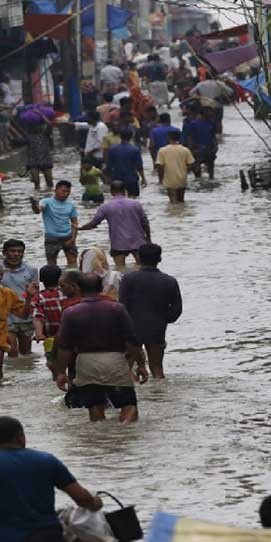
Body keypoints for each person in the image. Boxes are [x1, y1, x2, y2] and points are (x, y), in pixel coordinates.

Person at [0, 417, 103, 542]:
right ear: (20, 436)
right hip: (48, 539)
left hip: (4, 541)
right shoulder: (47, 460)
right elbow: (81, 498)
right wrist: (94, 502)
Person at [55, 273, 148, 423]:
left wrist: (60, 373)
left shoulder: (71, 313)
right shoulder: (117, 309)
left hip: (86, 363)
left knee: (95, 406)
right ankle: (123, 431)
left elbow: (64, 346)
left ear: (78, 288)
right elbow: (132, 341)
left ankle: (100, 440)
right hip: (115, 360)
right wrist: (141, 365)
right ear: (101, 287)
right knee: (129, 405)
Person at [118, 243, 182, 380]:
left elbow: (122, 306)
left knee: (126, 369)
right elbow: (176, 310)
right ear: (159, 259)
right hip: (157, 328)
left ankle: (134, 397)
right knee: (157, 368)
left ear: (139, 258)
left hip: (131, 328)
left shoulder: (128, 279)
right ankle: (160, 397)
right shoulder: (169, 281)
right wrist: (163, 319)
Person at [78, 181, 150, 269]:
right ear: (125, 190)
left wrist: (80, 228)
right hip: (137, 241)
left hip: (118, 243)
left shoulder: (106, 207)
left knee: (120, 268)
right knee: (143, 267)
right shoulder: (136, 204)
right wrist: (148, 239)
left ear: (111, 191)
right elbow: (145, 223)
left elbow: (93, 223)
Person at [1, 239, 38, 357]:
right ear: (4, 253)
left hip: (26, 316)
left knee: (26, 354)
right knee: (12, 351)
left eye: (19, 251)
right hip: (5, 317)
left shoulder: (31, 270)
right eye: (12, 251)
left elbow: (35, 294)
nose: (16, 254)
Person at [30, 181, 79, 266]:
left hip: (68, 236)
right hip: (52, 237)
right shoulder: (46, 202)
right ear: (55, 190)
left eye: (68, 192)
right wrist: (34, 203)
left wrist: (73, 239)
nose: (66, 194)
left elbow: (75, 223)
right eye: (63, 191)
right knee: (51, 264)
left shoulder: (70, 205)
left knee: (73, 262)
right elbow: (38, 210)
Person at [30, 264, 65, 375]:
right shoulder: (67, 293)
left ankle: (56, 379)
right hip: (69, 336)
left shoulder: (39, 297)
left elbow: (38, 317)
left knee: (52, 363)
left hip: (51, 338)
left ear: (42, 280)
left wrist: (39, 333)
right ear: (61, 278)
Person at [155, 130, 196, 203]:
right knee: (181, 200)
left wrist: (161, 179)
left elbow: (159, 166)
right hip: (182, 179)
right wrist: (185, 171)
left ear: (168, 138)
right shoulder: (185, 150)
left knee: (173, 201)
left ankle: (175, 213)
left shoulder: (162, 150)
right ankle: (182, 212)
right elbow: (191, 164)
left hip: (169, 179)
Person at [104, 129, 146, 198]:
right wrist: (143, 178)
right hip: (131, 179)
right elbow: (139, 166)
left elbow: (109, 166)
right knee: (133, 199)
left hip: (117, 179)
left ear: (120, 136)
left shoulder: (112, 149)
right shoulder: (135, 149)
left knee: (117, 199)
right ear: (131, 137)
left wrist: (108, 178)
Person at [181, 106, 218, 179]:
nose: (212, 113)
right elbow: (190, 139)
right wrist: (191, 151)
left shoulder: (212, 123)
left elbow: (213, 137)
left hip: (209, 151)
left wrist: (215, 147)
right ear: (204, 112)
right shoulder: (193, 124)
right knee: (197, 175)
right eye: (209, 111)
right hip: (197, 151)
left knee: (211, 174)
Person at [25, 121, 54, 190]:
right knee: (37, 185)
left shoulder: (45, 135)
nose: (37, 128)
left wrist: (41, 114)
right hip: (35, 162)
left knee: (49, 183)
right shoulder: (29, 137)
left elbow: (50, 124)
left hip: (43, 161)